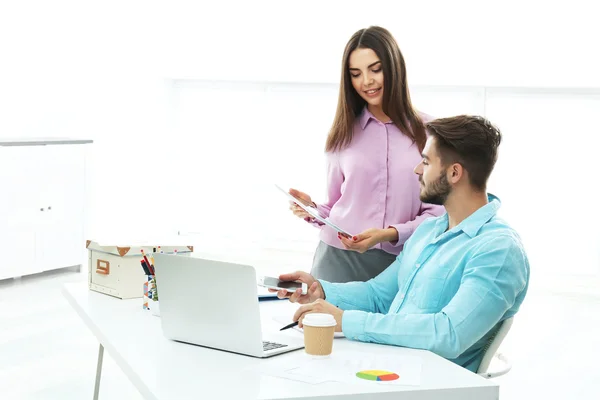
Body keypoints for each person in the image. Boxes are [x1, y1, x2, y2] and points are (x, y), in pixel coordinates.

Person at [276, 115, 530, 372]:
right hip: (386, 369)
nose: (417, 170)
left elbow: (449, 334)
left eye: (426, 161)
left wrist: (346, 321)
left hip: (428, 386)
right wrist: (322, 290)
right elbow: (378, 296)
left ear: (454, 173)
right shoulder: (428, 231)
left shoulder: (498, 249)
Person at [288, 26, 444, 283]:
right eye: (356, 74)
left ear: (394, 67)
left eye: (375, 69)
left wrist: (391, 233)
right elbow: (337, 205)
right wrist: (312, 209)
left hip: (400, 264)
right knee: (323, 324)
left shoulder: (430, 133)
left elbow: (438, 215)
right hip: (336, 260)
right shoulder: (342, 133)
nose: (366, 82)